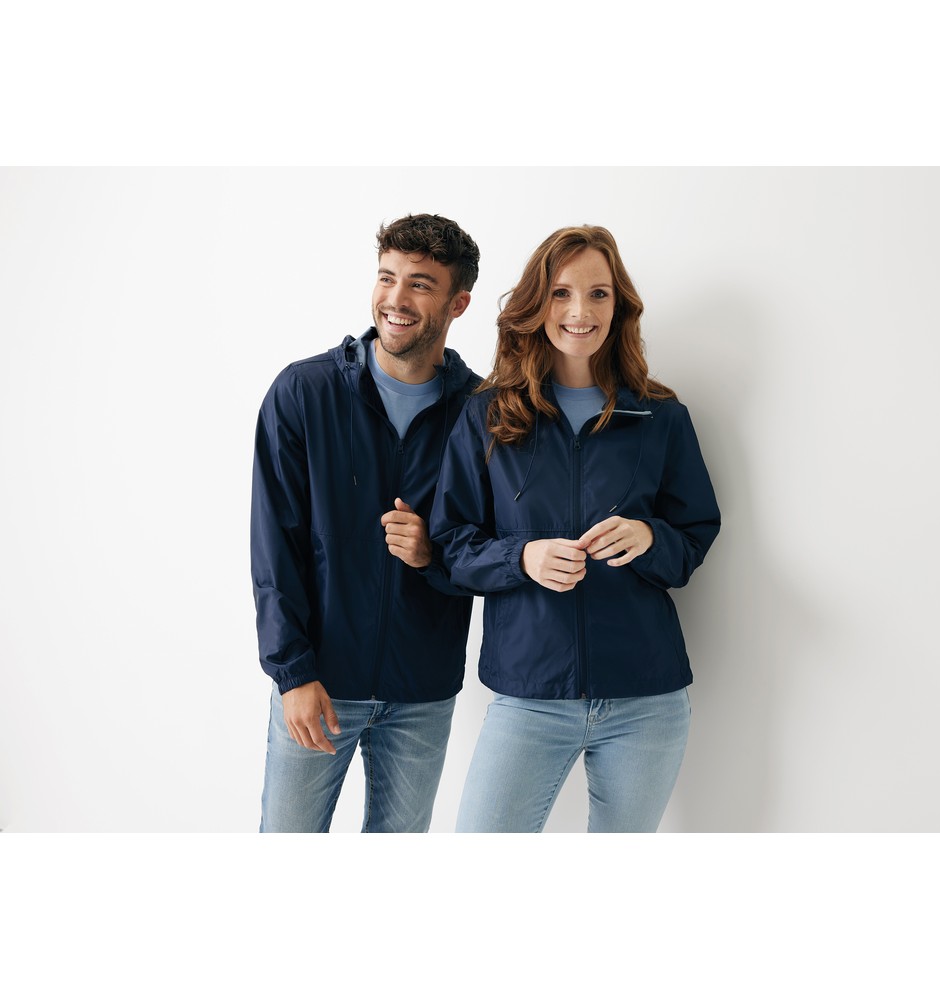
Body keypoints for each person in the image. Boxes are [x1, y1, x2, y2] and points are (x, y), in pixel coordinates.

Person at [430, 225, 720, 833]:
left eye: (598, 294)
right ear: (537, 304)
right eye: (561, 293)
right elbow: (452, 543)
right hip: (529, 695)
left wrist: (651, 539)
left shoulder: (660, 417)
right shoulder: (489, 415)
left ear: (619, 306)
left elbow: (694, 536)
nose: (580, 312)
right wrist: (522, 558)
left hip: (647, 699)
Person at [251, 213, 481, 832]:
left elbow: (494, 546)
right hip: (318, 684)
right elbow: (274, 546)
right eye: (387, 277)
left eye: (420, 285)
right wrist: (293, 673)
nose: (396, 299)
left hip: (422, 692)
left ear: (458, 303)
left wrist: (433, 555)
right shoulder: (305, 393)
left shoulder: (481, 412)